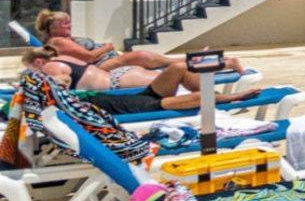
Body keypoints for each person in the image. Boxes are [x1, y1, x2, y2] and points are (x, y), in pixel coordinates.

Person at [29, 51, 260, 114]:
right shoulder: (60, 55)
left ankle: (219, 83)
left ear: (37, 62)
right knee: (177, 66)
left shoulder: (50, 67)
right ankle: (223, 69)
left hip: (122, 87)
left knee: (177, 67)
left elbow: (62, 78)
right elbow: (88, 59)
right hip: (136, 97)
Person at [33, 9, 237, 77]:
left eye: (69, 21)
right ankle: (208, 61)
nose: (68, 25)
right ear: (52, 27)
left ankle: (208, 60)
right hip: (99, 66)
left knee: (162, 63)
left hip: (104, 62)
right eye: (63, 23)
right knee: (148, 58)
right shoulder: (58, 41)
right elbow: (90, 57)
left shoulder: (63, 39)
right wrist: (108, 47)